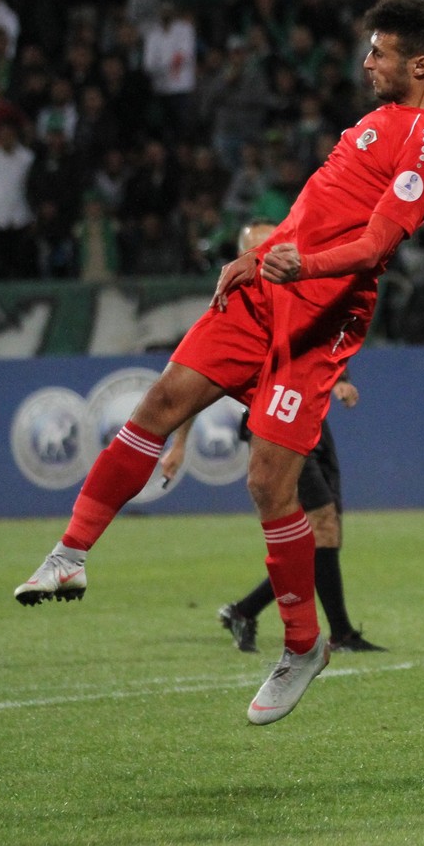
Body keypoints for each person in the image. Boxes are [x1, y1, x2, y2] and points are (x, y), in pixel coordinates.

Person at [15, 0, 424, 726]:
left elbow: (375, 247)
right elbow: (318, 211)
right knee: (162, 402)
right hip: (267, 288)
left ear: (420, 64)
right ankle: (70, 554)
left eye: (379, 53)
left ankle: (303, 646)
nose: (366, 63)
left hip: (319, 315)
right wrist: (262, 255)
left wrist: (299, 264)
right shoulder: (381, 120)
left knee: (267, 483)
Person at [159, 221, 384, 656]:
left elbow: (326, 347)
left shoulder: (300, 293)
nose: (275, 256)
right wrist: (180, 443)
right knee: (320, 526)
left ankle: (250, 612)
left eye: (280, 246)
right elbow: (198, 381)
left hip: (311, 419)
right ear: (245, 255)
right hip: (272, 427)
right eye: (262, 249)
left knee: (326, 530)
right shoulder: (236, 306)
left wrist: (340, 380)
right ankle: (332, 631)